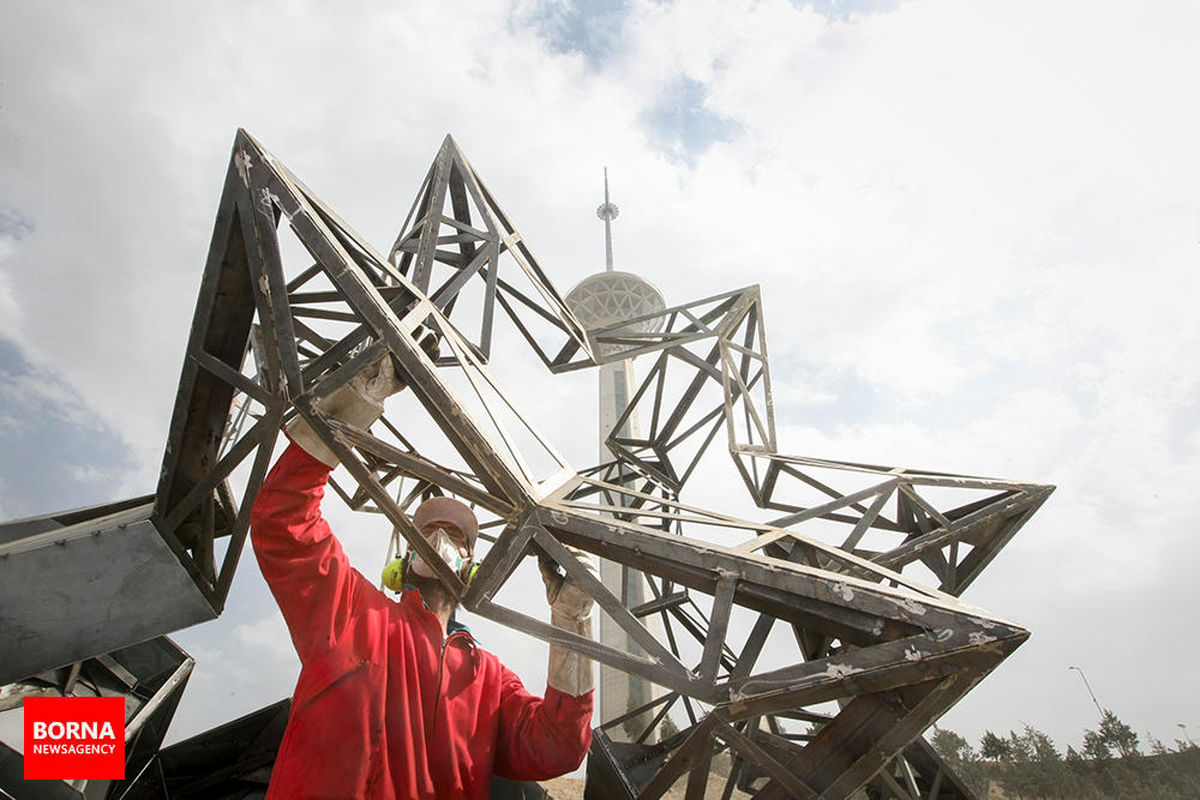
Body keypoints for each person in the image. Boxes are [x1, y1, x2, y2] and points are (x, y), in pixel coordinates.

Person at [249, 350, 595, 800]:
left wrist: (573, 622)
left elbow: (559, 747)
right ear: (405, 552)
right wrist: (347, 412)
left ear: (470, 568)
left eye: (457, 536)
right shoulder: (351, 612)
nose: (439, 540)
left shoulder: (488, 680)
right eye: (428, 529)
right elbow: (283, 521)